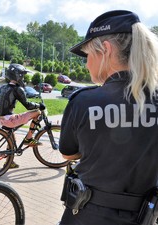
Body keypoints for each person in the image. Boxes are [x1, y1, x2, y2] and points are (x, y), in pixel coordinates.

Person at [58, 10, 158, 225]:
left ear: (105, 50)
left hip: (87, 216)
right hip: (144, 217)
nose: (86, 64)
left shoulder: (84, 101)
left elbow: (68, 153)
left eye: (88, 55)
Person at [0, 63, 45, 168]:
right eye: (22, 75)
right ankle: (29, 138)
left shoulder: (3, 87)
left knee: (12, 138)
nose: (23, 77)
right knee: (37, 112)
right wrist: (39, 105)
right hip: (10, 119)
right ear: (18, 76)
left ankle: (9, 162)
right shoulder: (17, 89)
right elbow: (28, 106)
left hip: (2, 119)